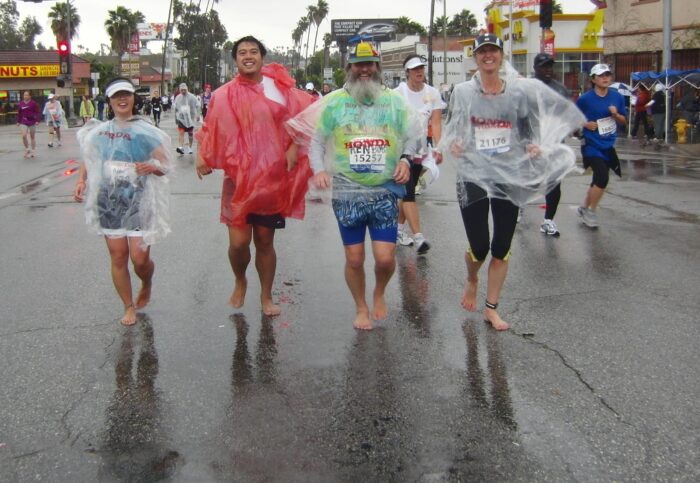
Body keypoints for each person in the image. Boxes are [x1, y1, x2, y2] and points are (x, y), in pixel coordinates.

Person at [441, 34, 584, 330]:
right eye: (482, 51)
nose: (488, 56)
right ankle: (471, 278)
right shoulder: (463, 92)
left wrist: (532, 146)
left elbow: (529, 128)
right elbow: (454, 127)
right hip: (473, 174)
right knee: (479, 247)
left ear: (501, 55)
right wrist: (455, 143)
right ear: (476, 58)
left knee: (502, 244)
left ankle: (491, 309)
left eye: (493, 50)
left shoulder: (520, 93)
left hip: (508, 174)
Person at [288, 39, 419, 330]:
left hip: (384, 189)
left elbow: (413, 135)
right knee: (355, 257)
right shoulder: (335, 101)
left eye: (369, 64)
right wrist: (319, 170)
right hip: (347, 190)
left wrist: (406, 161)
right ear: (349, 68)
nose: (364, 70)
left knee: (385, 259)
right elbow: (317, 141)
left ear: (377, 67)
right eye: (359, 64)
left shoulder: (394, 101)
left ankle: (379, 291)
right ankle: (361, 307)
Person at [195, 35, 315, 316]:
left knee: (264, 240)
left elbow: (304, 115)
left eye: (253, 51)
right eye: (241, 52)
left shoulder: (278, 88)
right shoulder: (223, 95)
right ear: (235, 60)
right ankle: (240, 279)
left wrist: (294, 147)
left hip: (270, 181)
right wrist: (202, 153)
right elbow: (210, 127)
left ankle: (266, 295)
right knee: (238, 243)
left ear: (262, 56)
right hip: (237, 181)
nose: (248, 56)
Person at [72, 77, 173, 326]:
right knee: (118, 256)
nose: (122, 99)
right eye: (117, 96)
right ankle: (128, 306)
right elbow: (90, 158)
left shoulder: (146, 132)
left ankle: (146, 281)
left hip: (139, 200)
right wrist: (82, 181)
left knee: (139, 259)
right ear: (109, 101)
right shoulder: (100, 132)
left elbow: (166, 165)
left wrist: (153, 166)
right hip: (108, 199)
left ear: (133, 98)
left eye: (126, 94)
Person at [393, 54, 446, 253]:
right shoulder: (398, 93)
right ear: (407, 72)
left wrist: (439, 148)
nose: (419, 72)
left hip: (421, 151)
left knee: (408, 191)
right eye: (414, 69)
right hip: (401, 152)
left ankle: (398, 230)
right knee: (408, 194)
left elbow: (437, 122)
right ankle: (418, 237)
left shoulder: (432, 93)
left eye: (421, 68)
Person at [575, 63, 627, 229]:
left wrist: (615, 114)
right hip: (590, 144)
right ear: (593, 79)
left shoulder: (616, 97)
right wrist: (585, 124)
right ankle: (591, 211)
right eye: (601, 75)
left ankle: (583, 207)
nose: (605, 78)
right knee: (602, 176)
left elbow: (624, 121)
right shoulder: (585, 99)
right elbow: (573, 118)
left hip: (608, 144)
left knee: (597, 179)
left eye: (607, 75)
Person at [532, 53, 571, 238]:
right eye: (544, 67)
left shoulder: (561, 89)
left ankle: (548, 220)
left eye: (550, 66)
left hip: (554, 144)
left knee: (554, 182)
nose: (548, 70)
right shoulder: (527, 88)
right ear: (535, 69)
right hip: (532, 144)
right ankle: (518, 207)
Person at [174, 83, 199, 154]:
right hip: (181, 118)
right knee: (181, 132)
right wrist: (176, 118)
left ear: (187, 89)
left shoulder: (192, 97)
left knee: (190, 134)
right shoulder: (178, 97)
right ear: (180, 90)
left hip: (190, 118)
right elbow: (175, 108)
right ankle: (181, 147)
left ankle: (190, 147)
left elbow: (198, 105)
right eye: (181, 90)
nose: (183, 91)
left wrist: (197, 115)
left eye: (184, 90)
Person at [17, 90, 40, 158]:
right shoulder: (21, 103)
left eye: (27, 95)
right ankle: (27, 149)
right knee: (24, 135)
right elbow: (19, 113)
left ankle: (33, 151)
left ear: (30, 96)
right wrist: (18, 121)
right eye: (24, 95)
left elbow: (37, 112)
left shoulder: (33, 103)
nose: (25, 96)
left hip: (32, 121)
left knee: (32, 137)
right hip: (23, 121)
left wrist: (37, 120)